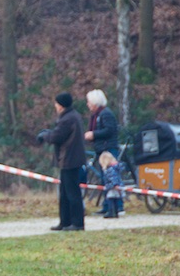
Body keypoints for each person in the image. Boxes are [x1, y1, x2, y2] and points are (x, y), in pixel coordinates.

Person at [37, 92, 86, 231]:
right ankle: (65, 222)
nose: (55, 106)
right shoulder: (73, 116)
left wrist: (45, 135)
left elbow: (57, 137)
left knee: (72, 193)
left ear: (61, 105)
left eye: (56, 103)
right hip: (71, 159)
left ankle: (77, 223)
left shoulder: (67, 119)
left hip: (69, 159)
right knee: (65, 193)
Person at [84, 89, 119, 159]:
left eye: (89, 102)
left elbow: (109, 130)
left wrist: (93, 134)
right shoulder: (97, 115)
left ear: (95, 102)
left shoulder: (106, 114)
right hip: (101, 149)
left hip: (108, 150)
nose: (87, 104)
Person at [99, 150, 124, 218]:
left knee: (110, 198)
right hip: (117, 185)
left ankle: (111, 212)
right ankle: (116, 212)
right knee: (116, 198)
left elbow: (113, 177)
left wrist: (115, 184)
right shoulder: (115, 167)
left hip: (112, 186)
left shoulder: (109, 169)